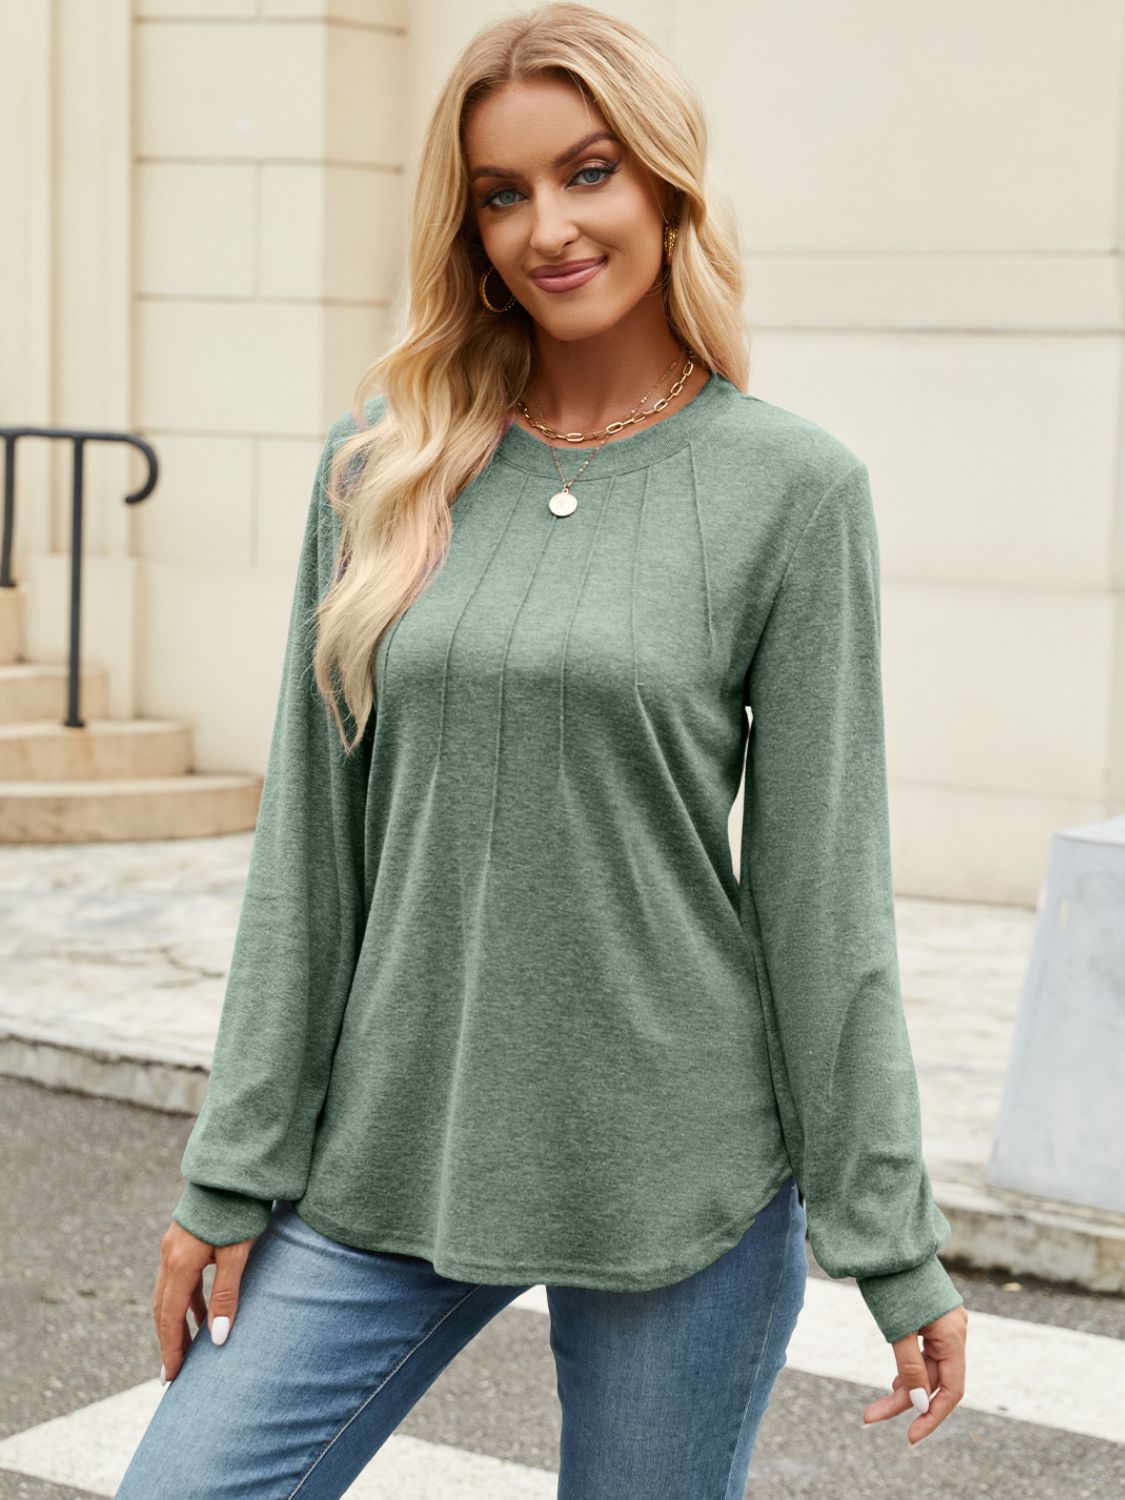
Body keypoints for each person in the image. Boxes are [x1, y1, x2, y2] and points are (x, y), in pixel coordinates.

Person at [115, 4, 968, 1495]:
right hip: (393, 1148)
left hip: (678, 1170)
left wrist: (891, 1244)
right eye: (502, 194)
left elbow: (822, 897)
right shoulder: (381, 466)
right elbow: (310, 858)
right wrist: (231, 1171)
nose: (548, 229)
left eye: (587, 173)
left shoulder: (790, 491)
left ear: (663, 182)